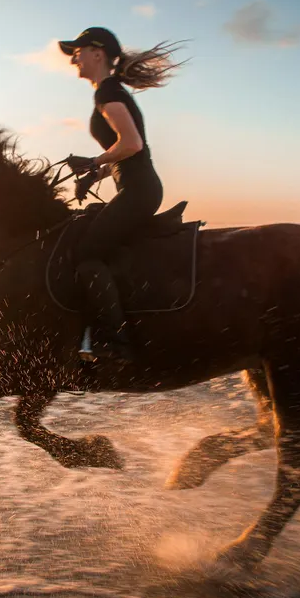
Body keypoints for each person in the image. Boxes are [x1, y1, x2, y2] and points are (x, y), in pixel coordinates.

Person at [58, 26, 179, 363]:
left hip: (139, 192)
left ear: (98, 52)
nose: (73, 59)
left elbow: (132, 144)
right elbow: (126, 152)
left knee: (86, 254)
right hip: (136, 188)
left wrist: (93, 160)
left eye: (77, 51)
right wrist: (95, 174)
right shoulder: (109, 91)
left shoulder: (108, 93)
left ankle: (114, 342)